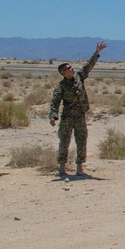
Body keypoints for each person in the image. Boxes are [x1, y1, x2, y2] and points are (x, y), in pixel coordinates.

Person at [49, 42, 107, 178]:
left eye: (71, 67)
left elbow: (89, 66)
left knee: (81, 140)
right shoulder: (61, 86)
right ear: (63, 73)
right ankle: (62, 166)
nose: (71, 68)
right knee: (64, 141)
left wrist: (97, 52)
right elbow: (55, 101)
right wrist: (53, 116)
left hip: (80, 116)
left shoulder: (79, 77)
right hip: (67, 118)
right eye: (68, 68)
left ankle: (80, 166)